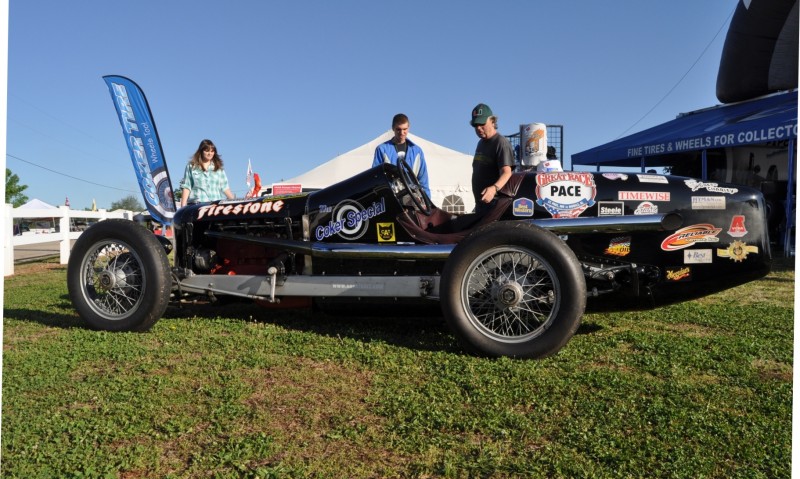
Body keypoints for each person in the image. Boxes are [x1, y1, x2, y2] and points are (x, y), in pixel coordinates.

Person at [373, 113, 431, 198]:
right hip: (391, 200)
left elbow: (423, 180)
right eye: (398, 129)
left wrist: (427, 202)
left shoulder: (417, 151)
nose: (402, 133)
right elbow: (376, 178)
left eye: (405, 129)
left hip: (414, 200)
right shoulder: (382, 149)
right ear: (393, 128)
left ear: (409, 128)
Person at [469, 103, 514, 213]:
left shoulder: (501, 143)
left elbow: (507, 172)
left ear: (492, 121)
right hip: (481, 204)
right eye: (476, 125)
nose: (479, 128)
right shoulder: (481, 143)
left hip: (494, 205)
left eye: (482, 124)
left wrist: (494, 189)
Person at [179, 139, 235, 207]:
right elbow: (187, 187)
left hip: (215, 206)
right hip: (197, 205)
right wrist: (183, 206)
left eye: (212, 151)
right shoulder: (191, 166)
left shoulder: (218, 168)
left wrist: (234, 203)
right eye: (207, 151)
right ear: (201, 151)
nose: (210, 153)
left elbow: (225, 188)